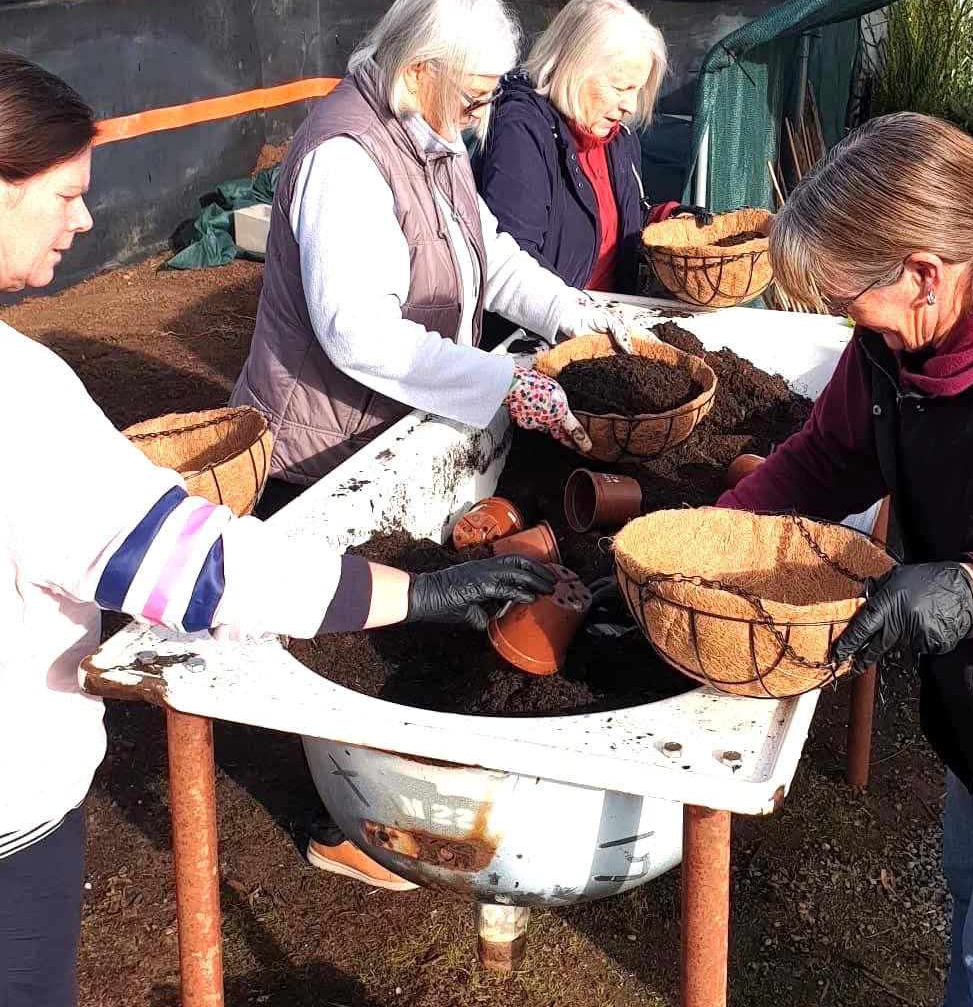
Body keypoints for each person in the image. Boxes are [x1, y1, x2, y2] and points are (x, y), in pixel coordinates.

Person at [0, 50, 558, 1007]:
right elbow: (202, 574)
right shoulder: (21, 402)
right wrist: (417, 594)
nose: (86, 220)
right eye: (62, 195)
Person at [718, 112, 973, 1007]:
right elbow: (822, 457)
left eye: (852, 298)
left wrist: (972, 590)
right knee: (970, 902)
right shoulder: (892, 346)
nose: (851, 321)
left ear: (925, 274)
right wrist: (710, 538)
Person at [230, 0, 634, 515]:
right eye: (474, 97)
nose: (481, 116)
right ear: (419, 70)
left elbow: (485, 248)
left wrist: (566, 309)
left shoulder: (431, 129)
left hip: (389, 430)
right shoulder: (346, 157)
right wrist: (502, 380)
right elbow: (359, 333)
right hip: (321, 459)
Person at [472, 0, 711, 296]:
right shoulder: (521, 130)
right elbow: (513, 262)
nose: (631, 107)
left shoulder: (616, 138)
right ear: (577, 68)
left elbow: (621, 225)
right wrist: (575, 315)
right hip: (544, 331)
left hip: (608, 313)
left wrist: (669, 220)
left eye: (637, 90)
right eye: (621, 87)